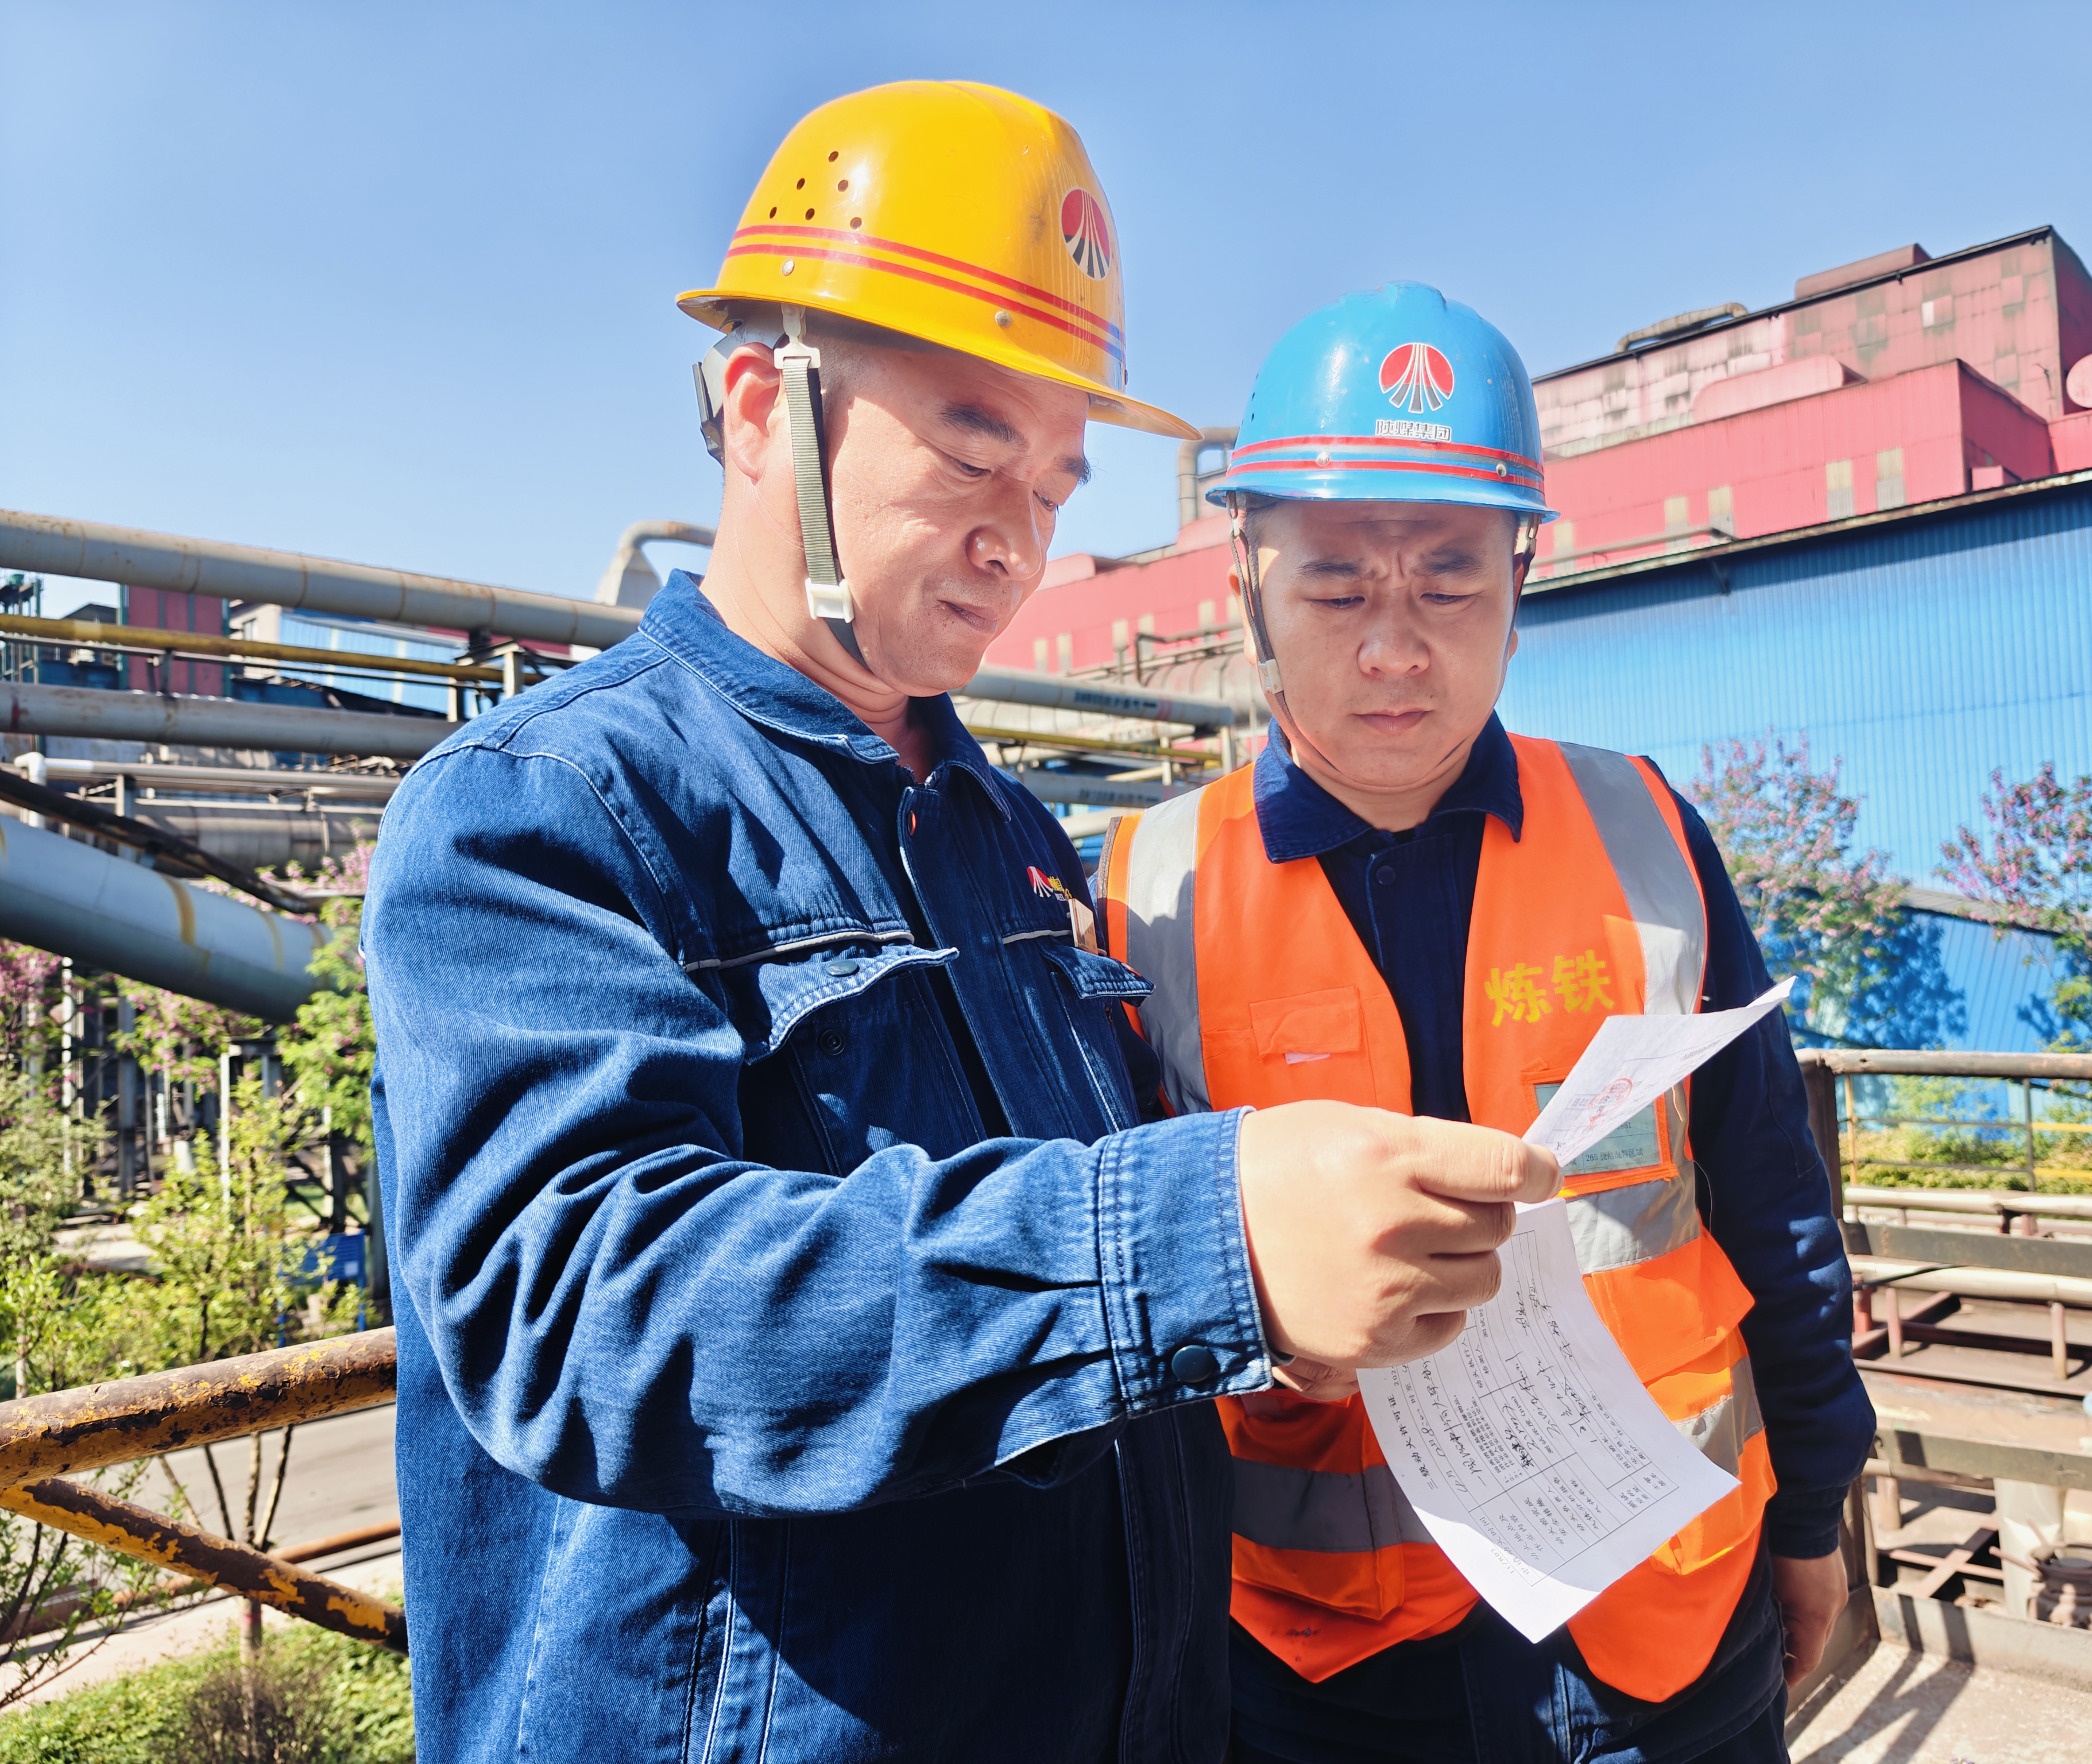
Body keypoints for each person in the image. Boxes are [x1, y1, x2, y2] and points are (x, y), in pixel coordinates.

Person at [364, 94, 1559, 1764]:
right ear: (765, 403)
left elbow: (1075, 1301)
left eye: (1060, 480)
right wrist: (1200, 1234)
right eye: (973, 446)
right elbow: (582, 1312)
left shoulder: (1007, 841)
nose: (1022, 535)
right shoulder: (543, 809)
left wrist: (1271, 1290)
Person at [1096, 283, 1875, 1763]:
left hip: (1663, 1621)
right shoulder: (1147, 899)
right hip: (1335, 1675)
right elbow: (1107, 1289)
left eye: (1449, 580)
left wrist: (1817, 1509)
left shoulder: (1646, 833)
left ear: (1522, 582)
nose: (1396, 646)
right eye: (1337, 584)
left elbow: (1776, 1204)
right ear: (1250, 582)